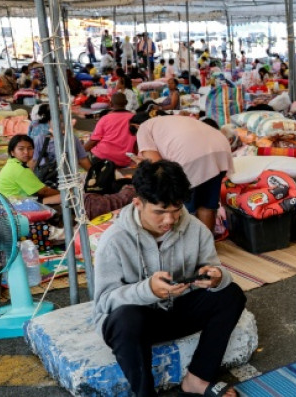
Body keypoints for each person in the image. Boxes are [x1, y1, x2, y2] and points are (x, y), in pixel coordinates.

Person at [93, 159, 245, 397]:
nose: (169, 221)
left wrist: (215, 278)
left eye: (176, 210)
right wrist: (148, 291)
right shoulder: (114, 240)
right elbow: (104, 302)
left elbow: (214, 268)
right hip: (137, 325)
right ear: (138, 203)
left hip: (177, 312)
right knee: (125, 318)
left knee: (231, 294)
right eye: (160, 212)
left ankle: (197, 379)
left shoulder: (195, 229)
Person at [130, 112, 233, 231]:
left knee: (181, 208)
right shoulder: (170, 119)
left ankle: (185, 245)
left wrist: (142, 164)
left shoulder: (143, 128)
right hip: (221, 148)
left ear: (136, 126)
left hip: (190, 157)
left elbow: (157, 166)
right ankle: (207, 245)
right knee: (207, 205)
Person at [0, 135, 61, 205]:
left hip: (7, 203)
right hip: (16, 206)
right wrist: (62, 194)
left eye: (30, 148)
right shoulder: (20, 169)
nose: (26, 152)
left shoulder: (12, 163)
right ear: (12, 152)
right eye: (21, 149)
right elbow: (43, 191)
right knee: (61, 197)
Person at [84, 93, 136, 167]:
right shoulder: (134, 118)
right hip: (124, 159)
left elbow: (94, 141)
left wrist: (81, 151)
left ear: (110, 104)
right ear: (126, 103)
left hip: (103, 158)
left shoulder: (105, 119)